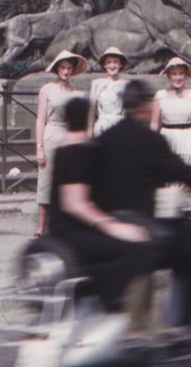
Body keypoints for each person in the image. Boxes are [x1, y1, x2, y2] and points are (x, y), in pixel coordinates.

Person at [94, 79, 191, 331]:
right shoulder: (150, 141)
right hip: (140, 228)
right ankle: (186, 324)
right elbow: (187, 175)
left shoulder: (106, 138)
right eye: (150, 103)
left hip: (107, 227)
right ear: (144, 106)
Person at [40, 96, 157, 329]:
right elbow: (75, 203)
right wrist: (111, 225)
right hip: (72, 234)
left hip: (59, 231)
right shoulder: (78, 150)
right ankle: (119, 313)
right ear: (87, 118)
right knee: (139, 249)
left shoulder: (65, 146)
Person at [35, 50, 87, 235]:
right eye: (63, 67)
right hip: (51, 134)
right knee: (46, 182)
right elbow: (40, 119)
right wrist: (39, 147)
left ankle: (64, 225)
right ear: (57, 69)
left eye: (69, 68)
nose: (65, 71)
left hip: (68, 135)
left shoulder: (76, 93)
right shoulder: (47, 89)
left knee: (68, 181)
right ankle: (41, 227)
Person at [151, 56, 191, 167]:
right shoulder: (160, 96)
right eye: (174, 74)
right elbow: (154, 124)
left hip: (188, 138)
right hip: (167, 138)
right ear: (169, 76)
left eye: (181, 74)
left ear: (185, 75)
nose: (178, 77)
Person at [88, 46, 129, 136]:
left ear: (120, 64)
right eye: (109, 62)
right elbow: (91, 111)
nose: (112, 66)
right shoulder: (96, 84)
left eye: (115, 62)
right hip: (102, 125)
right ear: (104, 65)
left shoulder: (126, 84)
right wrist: (89, 133)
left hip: (120, 126)